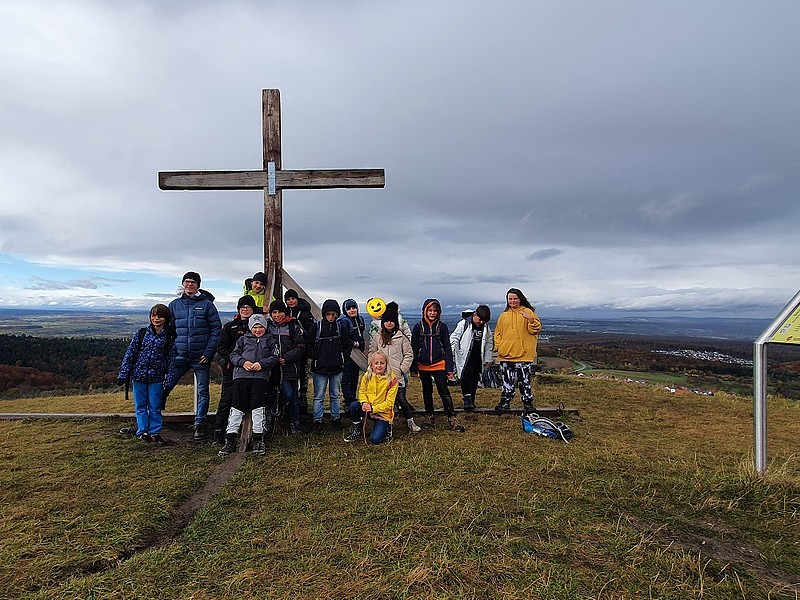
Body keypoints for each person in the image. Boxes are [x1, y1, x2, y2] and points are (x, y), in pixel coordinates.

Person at [166, 271, 222, 441]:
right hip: (180, 356)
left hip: (201, 357)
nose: (189, 284)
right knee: (165, 385)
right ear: (183, 284)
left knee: (203, 391)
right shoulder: (174, 305)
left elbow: (216, 330)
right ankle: (152, 419)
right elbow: (169, 331)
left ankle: (199, 424)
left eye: (193, 282)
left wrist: (208, 353)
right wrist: (172, 351)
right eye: (187, 282)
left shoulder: (207, 305)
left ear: (198, 285)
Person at [218, 314, 280, 456]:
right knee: (237, 408)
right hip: (241, 376)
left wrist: (261, 364)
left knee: (258, 408)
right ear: (251, 328)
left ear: (265, 327)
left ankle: (258, 439)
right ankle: (230, 439)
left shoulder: (271, 341)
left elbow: (275, 357)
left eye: (261, 327)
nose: (258, 330)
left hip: (260, 378)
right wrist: (243, 362)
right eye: (255, 327)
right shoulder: (242, 339)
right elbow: (233, 355)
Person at [116, 304, 177, 444]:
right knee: (140, 405)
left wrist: (169, 382)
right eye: (154, 315)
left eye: (160, 316)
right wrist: (123, 373)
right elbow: (130, 354)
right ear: (150, 317)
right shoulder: (142, 333)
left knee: (155, 406)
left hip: (157, 378)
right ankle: (142, 431)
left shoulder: (169, 337)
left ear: (166, 319)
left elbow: (171, 360)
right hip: (138, 376)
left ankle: (154, 432)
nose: (156, 318)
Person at [410, 299, 465, 432]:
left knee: (444, 392)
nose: (432, 313)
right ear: (424, 311)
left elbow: (447, 347)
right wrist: (413, 368)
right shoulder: (418, 327)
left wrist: (449, 369)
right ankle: (429, 416)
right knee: (427, 392)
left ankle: (452, 417)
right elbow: (414, 347)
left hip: (439, 363)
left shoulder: (442, 327)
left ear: (439, 312)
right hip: (423, 365)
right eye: (430, 310)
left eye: (435, 310)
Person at [368, 304, 421, 433]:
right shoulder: (378, 337)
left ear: (396, 322)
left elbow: (409, 354)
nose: (389, 323)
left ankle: (410, 422)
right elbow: (371, 353)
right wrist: (375, 367)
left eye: (392, 321)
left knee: (402, 399)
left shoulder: (401, 338)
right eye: (386, 321)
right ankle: (385, 424)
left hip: (397, 376)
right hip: (382, 377)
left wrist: (402, 369)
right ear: (383, 323)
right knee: (384, 400)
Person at [213, 295, 256, 444]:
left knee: (250, 400)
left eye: (248, 307)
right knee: (227, 399)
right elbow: (221, 348)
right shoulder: (229, 327)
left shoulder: (258, 327)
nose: (245, 310)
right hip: (232, 369)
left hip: (252, 370)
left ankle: (249, 431)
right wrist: (235, 360)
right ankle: (219, 431)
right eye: (242, 307)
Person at [307, 299, 353, 432]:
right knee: (319, 396)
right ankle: (317, 421)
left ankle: (336, 419)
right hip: (319, 368)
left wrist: (344, 358)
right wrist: (315, 356)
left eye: (333, 314)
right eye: (328, 314)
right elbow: (308, 343)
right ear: (324, 314)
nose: (331, 317)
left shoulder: (341, 327)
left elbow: (347, 343)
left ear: (337, 314)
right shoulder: (317, 327)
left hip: (337, 368)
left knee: (335, 395)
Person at [493, 288, 542, 412]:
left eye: (515, 298)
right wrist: (500, 346)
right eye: (510, 299)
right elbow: (497, 333)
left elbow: (535, 329)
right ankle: (505, 403)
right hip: (506, 354)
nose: (513, 301)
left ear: (520, 299)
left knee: (524, 381)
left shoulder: (528, 312)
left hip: (523, 355)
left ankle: (528, 404)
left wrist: (530, 319)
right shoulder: (503, 315)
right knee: (506, 382)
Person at [265, 299, 306, 435]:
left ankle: (295, 423)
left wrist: (286, 358)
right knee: (286, 394)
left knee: (294, 397)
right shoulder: (267, 327)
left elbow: (300, 347)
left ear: (285, 312)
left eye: (280, 312)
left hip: (291, 367)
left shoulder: (293, 326)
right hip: (274, 370)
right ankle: (272, 413)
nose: (277, 315)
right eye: (274, 312)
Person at [343, 351, 398, 444]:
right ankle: (357, 429)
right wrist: (364, 402)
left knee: (375, 440)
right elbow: (362, 391)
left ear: (386, 365)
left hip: (382, 413)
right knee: (353, 406)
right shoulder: (367, 376)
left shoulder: (392, 380)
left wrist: (373, 408)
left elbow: (389, 403)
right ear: (371, 365)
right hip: (368, 408)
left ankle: (387, 427)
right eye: (376, 363)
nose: (379, 366)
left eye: (382, 363)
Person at [450, 305, 494, 411]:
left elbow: (488, 343)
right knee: (466, 376)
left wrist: (488, 359)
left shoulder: (486, 328)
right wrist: (451, 352)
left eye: (484, 321)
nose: (481, 322)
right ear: (475, 315)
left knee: (475, 377)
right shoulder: (464, 324)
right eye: (480, 319)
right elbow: (454, 338)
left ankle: (471, 398)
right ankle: (467, 398)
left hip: (478, 357)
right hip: (465, 356)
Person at [284, 289, 314, 414]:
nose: (291, 301)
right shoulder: (285, 312)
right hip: (289, 348)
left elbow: (311, 330)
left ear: (297, 299)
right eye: (288, 299)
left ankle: (302, 398)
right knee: (291, 373)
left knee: (302, 372)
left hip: (303, 347)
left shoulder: (305, 313)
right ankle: (290, 400)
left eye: (293, 299)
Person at [339, 299, 366, 409]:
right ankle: (348, 400)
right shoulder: (345, 322)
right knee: (347, 377)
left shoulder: (359, 319)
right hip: (348, 354)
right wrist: (354, 343)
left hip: (358, 354)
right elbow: (343, 338)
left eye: (353, 308)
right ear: (345, 310)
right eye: (349, 308)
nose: (352, 310)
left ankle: (352, 398)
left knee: (355, 377)